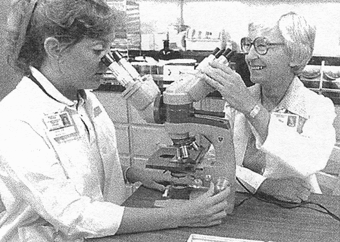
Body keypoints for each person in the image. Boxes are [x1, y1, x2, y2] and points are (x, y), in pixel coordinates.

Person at [0, 0, 230, 241]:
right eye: (98, 51)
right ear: (55, 48)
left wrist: (133, 173)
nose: (108, 63)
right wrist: (183, 215)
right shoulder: (16, 120)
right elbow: (73, 215)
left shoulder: (84, 98)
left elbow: (79, 163)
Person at [202, 12, 336, 203]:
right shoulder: (237, 100)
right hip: (241, 206)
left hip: (295, 211)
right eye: (248, 45)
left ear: (295, 54)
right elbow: (214, 164)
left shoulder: (318, 107)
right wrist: (261, 184)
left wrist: (251, 107)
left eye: (262, 45)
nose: (249, 56)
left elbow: (309, 160)